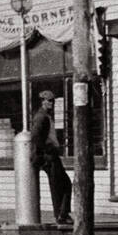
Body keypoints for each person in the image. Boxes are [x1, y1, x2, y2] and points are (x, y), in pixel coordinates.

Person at [29, 90, 72, 225]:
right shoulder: (41, 117)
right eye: (49, 101)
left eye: (53, 101)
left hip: (51, 154)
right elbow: (35, 136)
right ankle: (61, 215)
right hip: (48, 156)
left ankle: (62, 214)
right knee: (61, 185)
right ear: (43, 101)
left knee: (61, 184)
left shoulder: (46, 116)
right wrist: (46, 149)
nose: (52, 103)